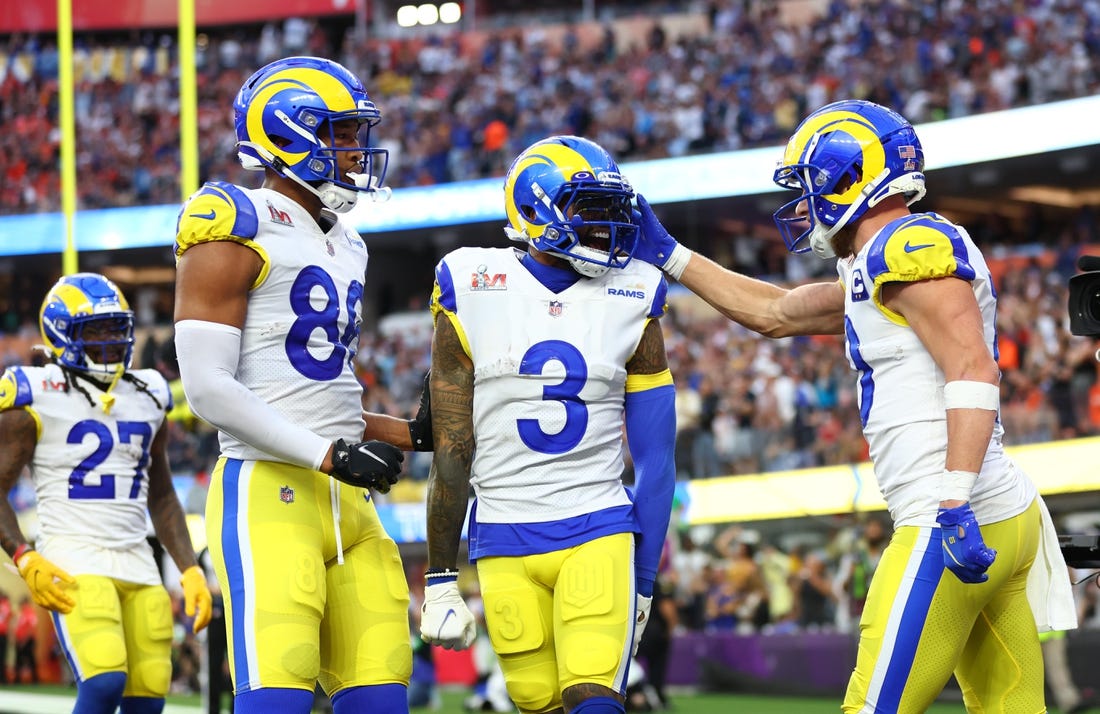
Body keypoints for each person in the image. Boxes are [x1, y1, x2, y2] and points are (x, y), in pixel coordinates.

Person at [630, 99, 1077, 712]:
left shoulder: (910, 244)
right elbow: (776, 313)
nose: (804, 204)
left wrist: (952, 500)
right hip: (990, 507)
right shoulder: (879, 259)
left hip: (947, 513)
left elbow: (973, 367)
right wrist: (671, 256)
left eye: (811, 186)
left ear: (849, 180)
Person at [172, 55, 432, 714]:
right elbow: (206, 387)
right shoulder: (232, 216)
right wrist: (328, 455)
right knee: (277, 699)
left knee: (381, 697)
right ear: (289, 133)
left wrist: (412, 433)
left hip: (348, 502)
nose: (357, 150)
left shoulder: (348, 240)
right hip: (266, 491)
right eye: (342, 134)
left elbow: (317, 395)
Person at [417, 135, 677, 714]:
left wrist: (643, 578)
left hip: (597, 527)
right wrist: (439, 576)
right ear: (536, 211)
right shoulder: (471, 281)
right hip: (503, 537)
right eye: (589, 210)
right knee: (539, 705)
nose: (607, 226)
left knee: (594, 701)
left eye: (609, 210)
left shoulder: (635, 291)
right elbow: (453, 446)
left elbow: (657, 459)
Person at [0, 272, 213, 712]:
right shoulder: (33, 393)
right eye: (94, 329)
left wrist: (189, 568)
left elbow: (162, 493)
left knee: (150, 693)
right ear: (61, 334)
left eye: (117, 326)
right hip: (74, 555)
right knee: (103, 683)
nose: (111, 339)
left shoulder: (148, 392)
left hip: (138, 558)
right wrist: (23, 555)